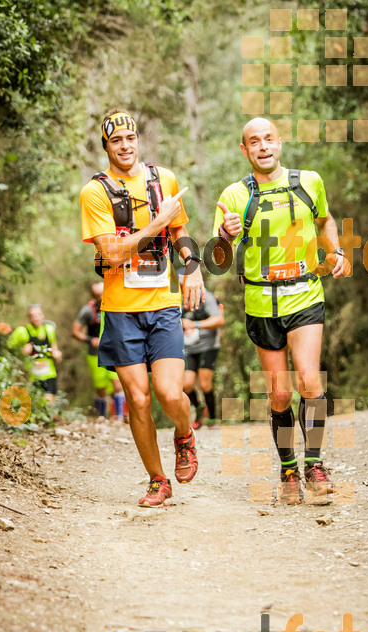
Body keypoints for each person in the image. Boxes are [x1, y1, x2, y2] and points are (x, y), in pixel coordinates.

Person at [213, 117, 352, 504]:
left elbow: (325, 221)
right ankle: (288, 469)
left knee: (309, 378)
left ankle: (315, 463)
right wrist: (226, 234)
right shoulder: (234, 196)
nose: (263, 146)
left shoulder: (309, 181)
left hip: (305, 295)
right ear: (244, 150)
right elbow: (219, 258)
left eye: (269, 139)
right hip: (261, 303)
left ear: (280, 142)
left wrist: (336, 250)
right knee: (279, 394)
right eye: (254, 141)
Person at [80, 109, 205, 507]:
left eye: (130, 138)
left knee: (170, 394)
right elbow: (113, 254)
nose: (125, 146)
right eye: (116, 141)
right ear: (106, 146)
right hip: (119, 310)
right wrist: (155, 225)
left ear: (138, 140)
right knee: (136, 400)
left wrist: (192, 269)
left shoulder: (163, 180)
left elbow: (179, 230)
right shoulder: (94, 192)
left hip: (163, 306)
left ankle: (184, 434)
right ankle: (157, 480)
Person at [72, 282, 126, 422]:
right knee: (100, 387)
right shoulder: (88, 310)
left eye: (103, 293)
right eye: (97, 295)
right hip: (95, 353)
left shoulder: (118, 304)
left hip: (115, 352)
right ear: (93, 296)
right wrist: (90, 340)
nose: (101, 297)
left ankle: (118, 417)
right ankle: (102, 416)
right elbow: (75, 331)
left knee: (117, 384)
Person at [182, 288, 224, 428]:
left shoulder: (207, 297)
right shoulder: (175, 297)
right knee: (186, 385)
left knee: (205, 384)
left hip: (208, 345)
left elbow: (219, 320)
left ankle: (212, 418)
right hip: (188, 347)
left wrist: (195, 324)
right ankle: (199, 408)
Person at [8, 304, 62, 404]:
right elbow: (7, 349)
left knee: (48, 403)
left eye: (38, 314)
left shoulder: (49, 330)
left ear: (43, 315)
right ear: (28, 317)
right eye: (32, 315)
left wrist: (57, 354)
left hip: (49, 374)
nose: (36, 318)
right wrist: (21, 352)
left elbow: (56, 352)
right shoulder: (21, 332)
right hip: (30, 377)